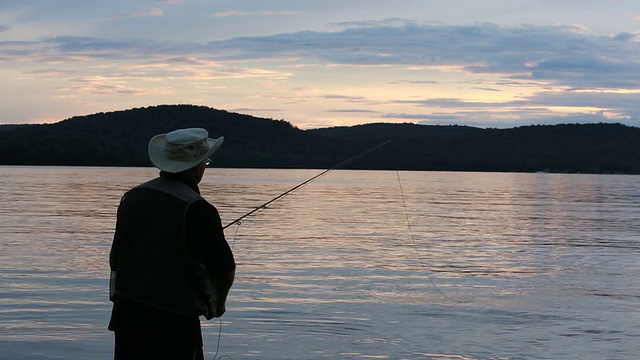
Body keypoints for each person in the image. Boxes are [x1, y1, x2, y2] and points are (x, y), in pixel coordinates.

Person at [108, 128, 236, 360]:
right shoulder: (198, 209)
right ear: (197, 169)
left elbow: (115, 258)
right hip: (176, 322)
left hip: (127, 315)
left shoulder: (132, 198)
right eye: (205, 162)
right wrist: (220, 302)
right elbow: (225, 267)